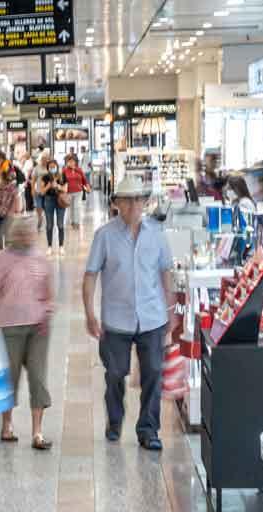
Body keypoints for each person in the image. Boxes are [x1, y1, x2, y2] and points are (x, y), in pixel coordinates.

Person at [83, 175, 178, 452]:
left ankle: (148, 429)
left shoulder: (157, 235)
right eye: (127, 200)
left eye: (138, 199)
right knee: (115, 373)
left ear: (144, 203)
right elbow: (90, 275)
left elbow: (165, 272)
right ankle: (114, 420)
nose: (133, 205)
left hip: (152, 316)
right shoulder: (105, 236)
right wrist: (89, 313)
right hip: (116, 319)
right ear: (117, 204)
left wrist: (171, 311)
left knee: (153, 374)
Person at [0, 217, 54, 449]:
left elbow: (48, 292)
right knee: (9, 378)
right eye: (21, 233)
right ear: (13, 235)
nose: (26, 237)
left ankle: (37, 433)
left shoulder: (40, 258)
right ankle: (7, 426)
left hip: (38, 327)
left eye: (30, 233)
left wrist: (48, 310)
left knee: (38, 377)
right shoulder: (2, 260)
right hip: (9, 326)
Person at [37, 159, 67, 256]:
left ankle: (61, 246)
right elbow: (41, 192)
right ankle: (49, 247)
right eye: (51, 167)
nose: (52, 168)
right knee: (49, 225)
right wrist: (48, 186)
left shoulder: (62, 176)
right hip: (48, 201)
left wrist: (58, 186)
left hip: (60, 201)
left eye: (54, 167)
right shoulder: (45, 177)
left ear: (57, 167)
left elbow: (65, 189)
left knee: (60, 224)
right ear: (48, 168)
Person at [0, 168, 21, 252]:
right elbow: (16, 201)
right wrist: (16, 211)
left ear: (1, 178)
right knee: (7, 234)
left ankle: (0, 254)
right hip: (8, 214)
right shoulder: (13, 188)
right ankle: (8, 254)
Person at [62, 153, 91, 229]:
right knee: (71, 208)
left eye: (72, 161)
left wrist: (87, 187)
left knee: (77, 207)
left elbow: (84, 180)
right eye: (69, 161)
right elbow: (62, 182)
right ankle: (72, 221)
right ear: (67, 162)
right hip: (68, 192)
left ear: (75, 162)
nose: (71, 163)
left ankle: (77, 222)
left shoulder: (79, 170)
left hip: (78, 191)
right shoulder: (64, 171)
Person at [31, 151, 52, 227]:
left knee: (47, 206)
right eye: (43, 159)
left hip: (48, 191)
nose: (44, 160)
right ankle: (40, 217)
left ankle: (48, 220)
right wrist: (32, 189)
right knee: (38, 206)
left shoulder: (50, 167)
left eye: (46, 159)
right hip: (38, 190)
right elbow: (33, 179)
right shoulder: (37, 168)